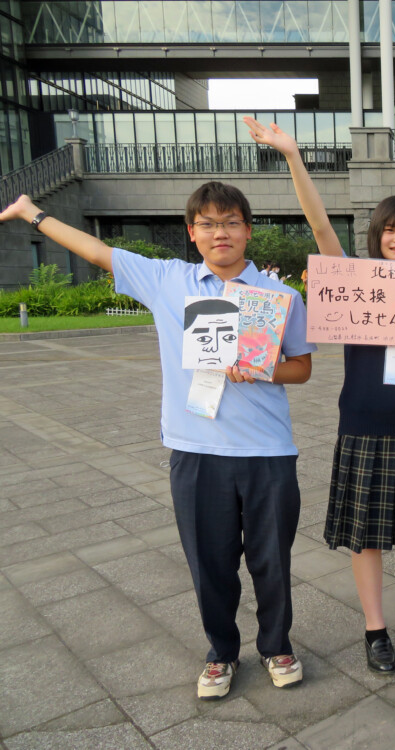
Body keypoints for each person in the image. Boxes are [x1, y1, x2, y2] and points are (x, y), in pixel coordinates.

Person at [0, 184, 316, 700]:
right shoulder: (168, 280)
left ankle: (276, 645)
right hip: (195, 450)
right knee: (209, 563)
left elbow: (301, 367)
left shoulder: (279, 297)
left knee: (271, 561)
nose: (220, 233)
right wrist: (32, 214)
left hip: (267, 452)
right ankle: (221, 652)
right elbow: (96, 250)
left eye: (230, 222)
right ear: (192, 232)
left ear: (247, 230)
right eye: (208, 224)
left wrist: (261, 369)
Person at [245, 117, 395, 674]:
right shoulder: (353, 280)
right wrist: (293, 156)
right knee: (366, 537)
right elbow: (319, 226)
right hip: (362, 424)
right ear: (377, 235)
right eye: (390, 230)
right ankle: (375, 629)